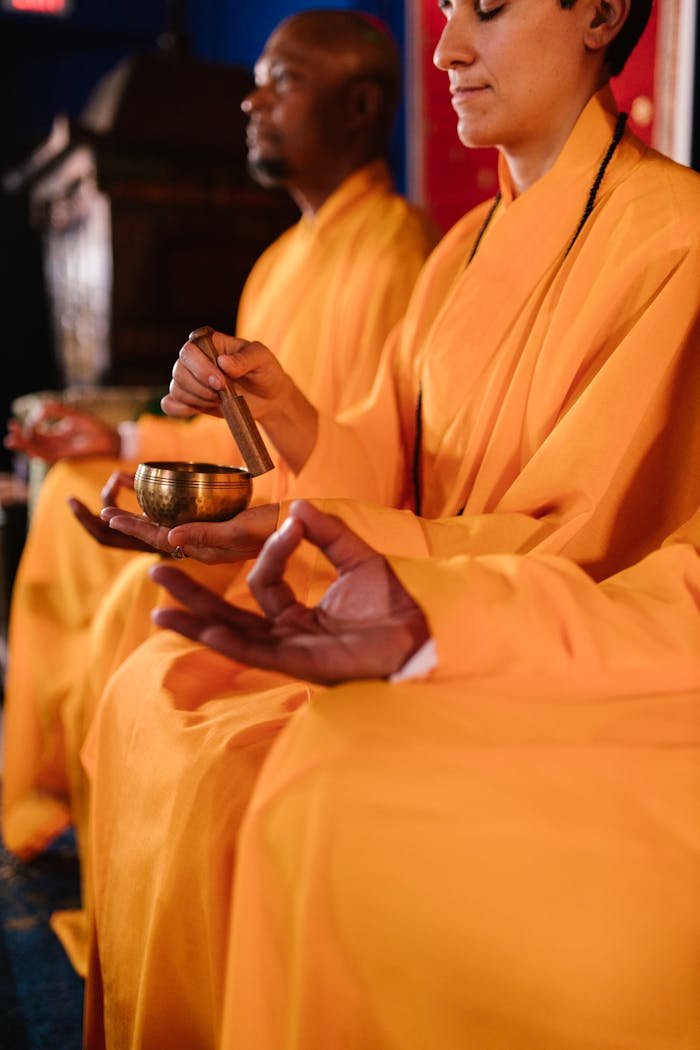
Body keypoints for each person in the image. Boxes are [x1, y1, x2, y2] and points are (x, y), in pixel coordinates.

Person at [82, 0, 700, 1044]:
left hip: (559, 623)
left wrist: (333, 538)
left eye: (490, 10)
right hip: (431, 578)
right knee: (154, 684)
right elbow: (400, 458)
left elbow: (585, 537)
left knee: (306, 778)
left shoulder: (677, 238)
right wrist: (293, 425)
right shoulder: (459, 252)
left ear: (600, 14)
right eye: (449, 9)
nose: (450, 47)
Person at [0, 8, 438, 886]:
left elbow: (357, 459)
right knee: (69, 490)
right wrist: (118, 435)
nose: (251, 101)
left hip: (299, 536)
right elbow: (236, 433)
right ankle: (47, 795)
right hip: (252, 497)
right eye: (258, 79)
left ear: (358, 108)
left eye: (283, 81)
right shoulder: (278, 260)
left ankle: (105, 819)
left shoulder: (397, 254)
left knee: (136, 595)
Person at [148, 498, 700, 1048]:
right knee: (333, 741)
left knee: (352, 798)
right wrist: (431, 619)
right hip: (626, 633)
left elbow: (596, 521)